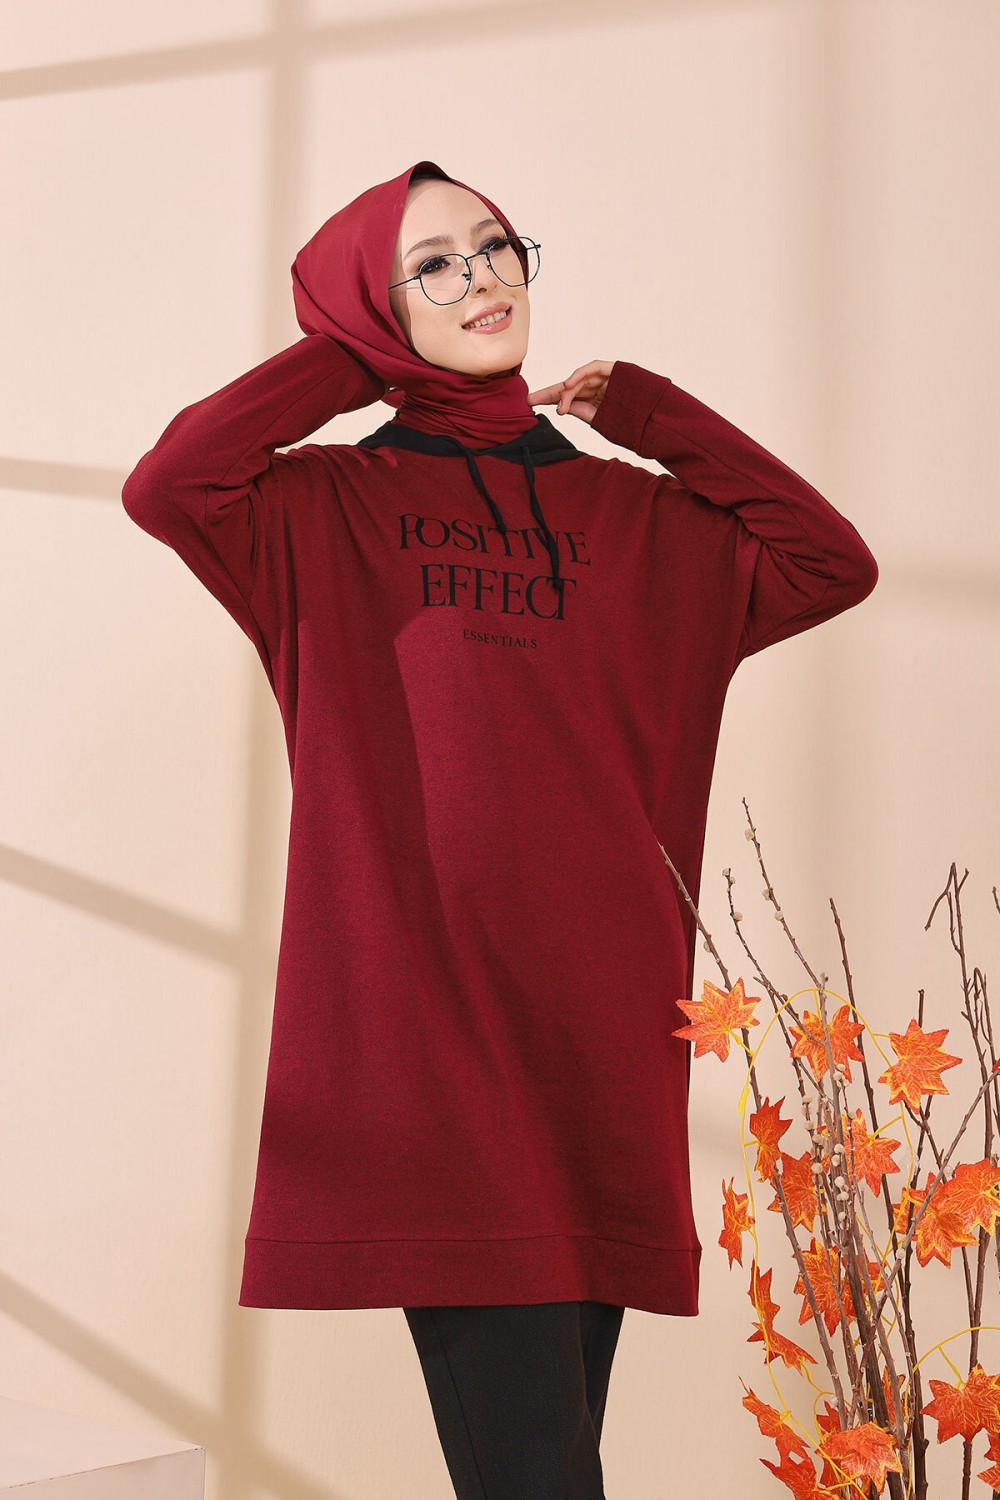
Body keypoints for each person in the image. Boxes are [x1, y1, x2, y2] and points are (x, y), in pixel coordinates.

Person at [120, 160, 879, 1500]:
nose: (483, 277)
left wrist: (656, 417)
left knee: (547, 1463)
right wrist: (342, 364)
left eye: (495, 245)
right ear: (375, 309)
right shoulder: (317, 512)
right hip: (431, 1045)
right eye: (432, 265)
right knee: (537, 1468)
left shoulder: (638, 518)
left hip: (602, 1035)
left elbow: (832, 561)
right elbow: (171, 482)